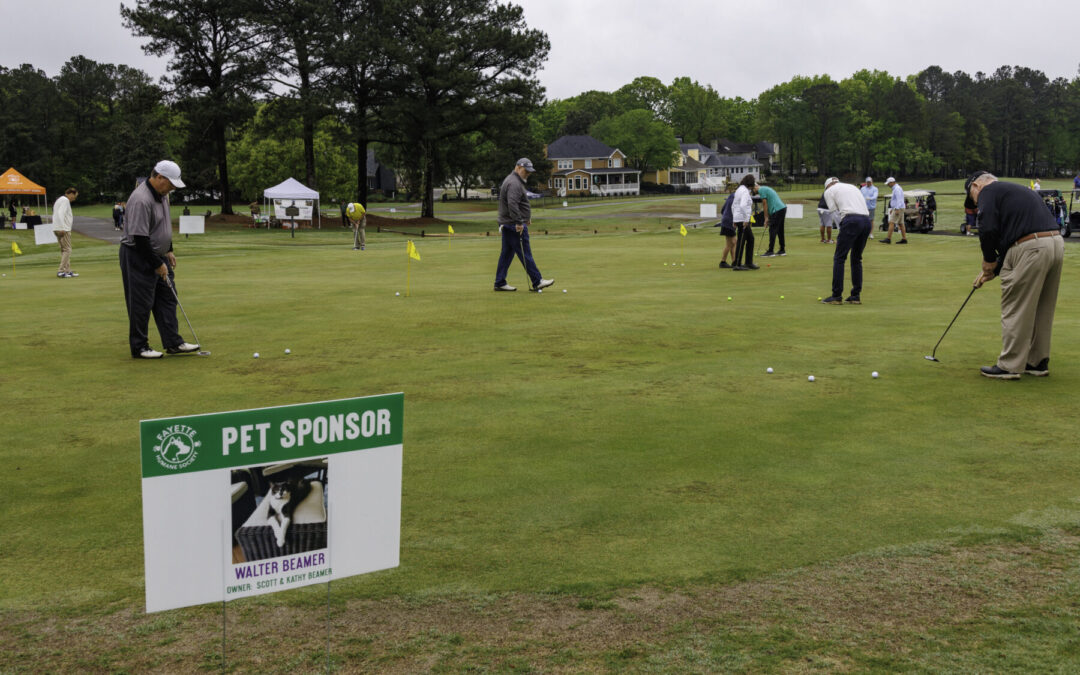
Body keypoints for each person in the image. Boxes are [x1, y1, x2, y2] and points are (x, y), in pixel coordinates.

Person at [967, 171, 1064, 379]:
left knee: (1016, 307)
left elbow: (987, 228)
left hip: (1030, 247)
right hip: (1055, 243)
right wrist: (994, 269)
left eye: (972, 198)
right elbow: (1012, 236)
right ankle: (1037, 362)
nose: (976, 203)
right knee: (1043, 307)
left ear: (976, 186)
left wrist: (988, 260)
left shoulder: (987, 191)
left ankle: (1010, 365)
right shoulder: (1015, 191)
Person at [118, 160, 200, 359]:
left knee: (168, 298)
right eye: (170, 183)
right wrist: (157, 263)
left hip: (157, 254)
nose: (173, 188)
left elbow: (161, 226)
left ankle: (173, 343)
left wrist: (168, 250)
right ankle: (139, 347)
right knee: (141, 303)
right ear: (159, 177)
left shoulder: (162, 195)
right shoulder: (141, 199)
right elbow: (139, 238)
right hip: (138, 255)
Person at [493, 158, 553, 292]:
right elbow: (512, 204)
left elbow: (518, 203)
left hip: (508, 224)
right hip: (513, 225)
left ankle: (500, 282)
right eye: (526, 171)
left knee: (506, 254)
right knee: (525, 253)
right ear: (518, 167)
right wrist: (519, 222)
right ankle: (537, 281)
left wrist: (526, 218)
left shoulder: (513, 180)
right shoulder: (514, 183)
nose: (528, 174)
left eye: (529, 172)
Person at [821, 177, 872, 305]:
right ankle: (855, 296)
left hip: (851, 220)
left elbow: (835, 213)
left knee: (839, 258)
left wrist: (841, 230)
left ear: (827, 186)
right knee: (856, 258)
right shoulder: (852, 186)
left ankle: (836, 296)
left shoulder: (829, 191)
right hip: (866, 221)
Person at [731, 174, 758, 270]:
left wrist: (734, 219)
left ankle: (747, 262)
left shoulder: (739, 189)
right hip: (742, 219)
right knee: (742, 241)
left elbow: (733, 205)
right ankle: (737, 264)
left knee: (750, 239)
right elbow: (742, 205)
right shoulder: (745, 191)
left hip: (738, 218)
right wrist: (746, 219)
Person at [53, 187, 79, 278]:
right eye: (74, 196)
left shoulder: (60, 199)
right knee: (67, 250)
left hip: (57, 228)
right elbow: (61, 213)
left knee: (64, 250)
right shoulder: (65, 200)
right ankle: (61, 271)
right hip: (63, 229)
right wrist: (62, 227)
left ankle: (67, 270)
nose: (74, 199)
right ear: (70, 193)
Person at [756, 183, 787, 257]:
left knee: (772, 229)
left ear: (755, 187)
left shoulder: (761, 190)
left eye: (752, 190)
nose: (754, 192)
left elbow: (764, 204)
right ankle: (782, 250)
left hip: (777, 210)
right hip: (782, 208)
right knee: (780, 230)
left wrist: (766, 218)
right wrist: (769, 217)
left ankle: (770, 251)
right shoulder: (765, 188)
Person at [879, 177, 908, 244]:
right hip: (900, 207)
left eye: (888, 183)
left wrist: (897, 209)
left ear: (892, 182)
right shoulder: (896, 188)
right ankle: (904, 239)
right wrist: (893, 208)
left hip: (898, 208)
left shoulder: (897, 189)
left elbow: (899, 200)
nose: (888, 185)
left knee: (891, 222)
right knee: (901, 224)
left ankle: (888, 239)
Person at [717, 192, 737, 268]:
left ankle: (734, 261)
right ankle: (723, 262)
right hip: (729, 223)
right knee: (730, 244)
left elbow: (722, 210)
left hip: (726, 221)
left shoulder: (731, 196)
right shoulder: (736, 198)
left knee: (734, 242)